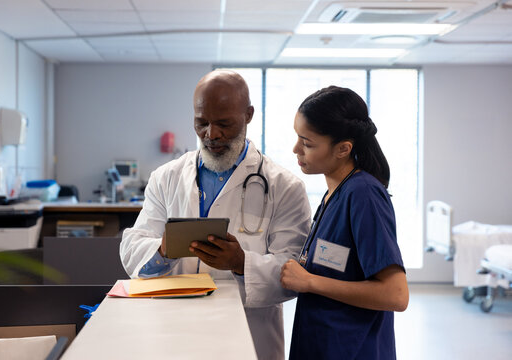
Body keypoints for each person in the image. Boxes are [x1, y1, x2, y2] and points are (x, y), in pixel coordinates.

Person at [120, 70, 312, 360]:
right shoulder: (166, 178)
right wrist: (162, 249)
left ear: (248, 115)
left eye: (224, 123)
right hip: (174, 331)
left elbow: (293, 269)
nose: (211, 134)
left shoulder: (285, 187)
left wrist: (241, 263)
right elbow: (134, 246)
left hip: (249, 334)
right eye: (201, 123)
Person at [280, 86, 409, 359]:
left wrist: (310, 282)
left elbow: (396, 295)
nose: (296, 149)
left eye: (307, 143)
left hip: (354, 350)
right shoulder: (333, 195)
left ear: (343, 149)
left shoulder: (363, 194)